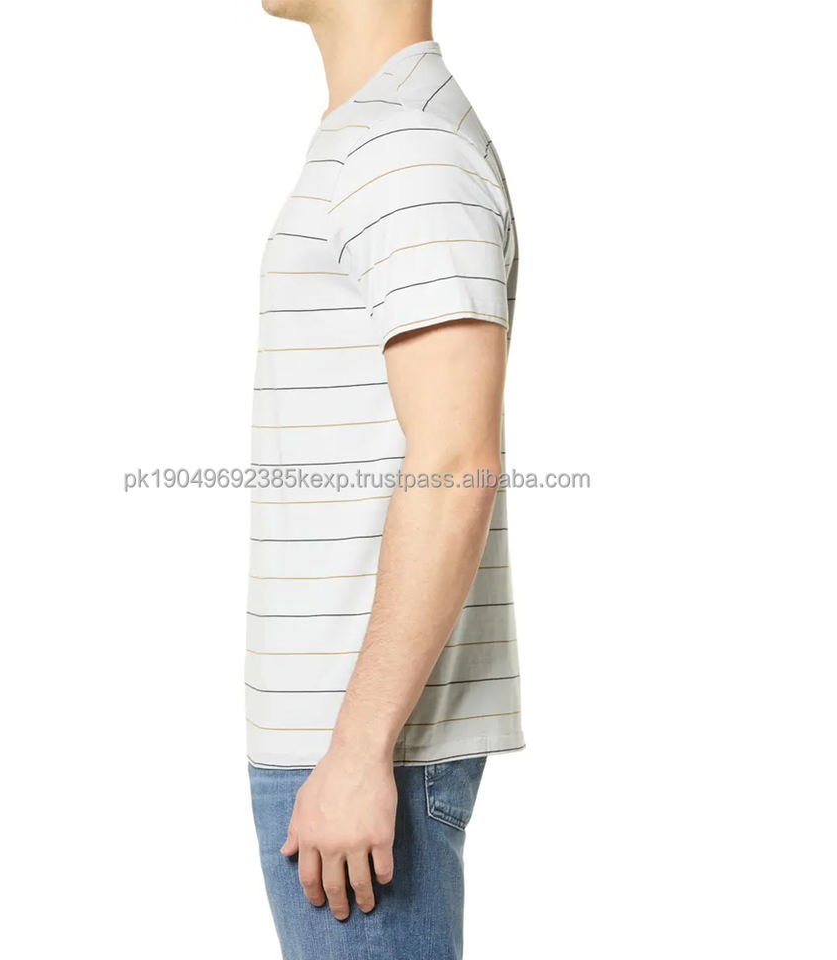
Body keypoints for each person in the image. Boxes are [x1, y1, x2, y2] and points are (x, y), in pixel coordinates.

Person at [248, 2, 522, 956]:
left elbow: (456, 460)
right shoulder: (380, 133)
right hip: (346, 742)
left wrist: (360, 749)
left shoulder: (403, 150)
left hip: (366, 748)